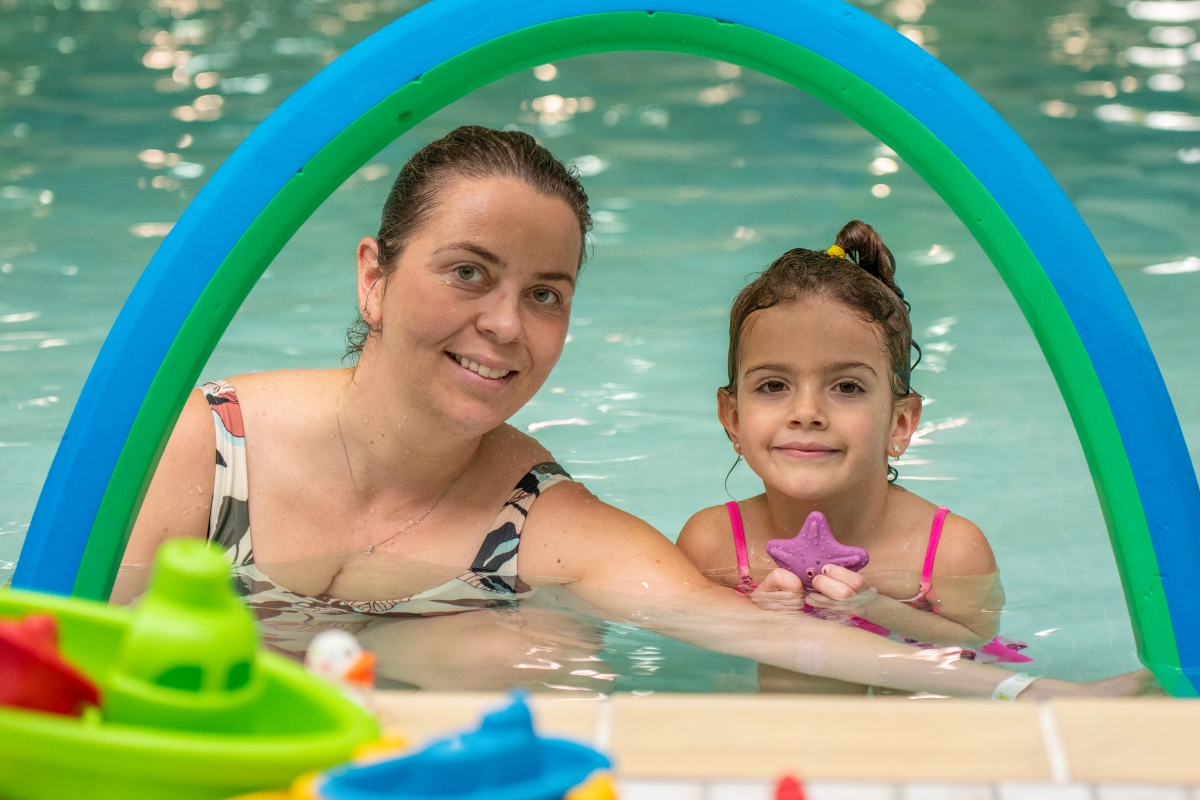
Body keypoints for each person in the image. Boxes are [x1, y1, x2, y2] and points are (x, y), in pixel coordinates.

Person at [120, 126, 1153, 700]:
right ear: (375, 277)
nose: (504, 326)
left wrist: (1036, 694)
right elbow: (75, 643)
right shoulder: (211, 443)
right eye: (468, 273)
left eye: (546, 293)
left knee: (525, 653)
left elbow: (749, 627)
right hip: (203, 731)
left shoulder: (536, 518)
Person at [675, 222, 1031, 692]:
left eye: (847, 387)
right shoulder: (713, 544)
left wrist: (878, 609)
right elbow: (692, 661)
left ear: (899, 424)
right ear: (734, 417)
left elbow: (978, 645)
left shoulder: (949, 552)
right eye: (773, 385)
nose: (806, 413)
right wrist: (750, 619)